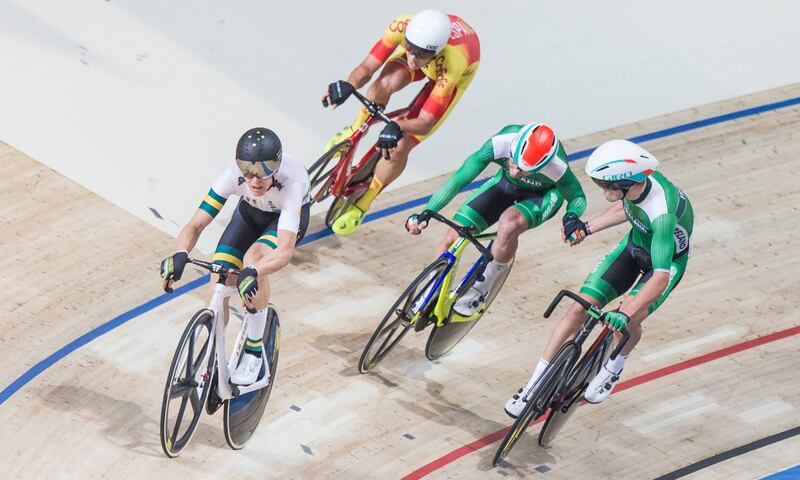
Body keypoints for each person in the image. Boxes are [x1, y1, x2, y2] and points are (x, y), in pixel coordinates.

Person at [505, 139, 694, 418]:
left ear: (626, 183)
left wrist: (627, 313)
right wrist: (586, 228)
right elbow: (625, 209)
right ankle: (533, 386)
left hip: (663, 265)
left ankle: (614, 367)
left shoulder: (662, 213)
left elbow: (661, 278)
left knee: (626, 321)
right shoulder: (635, 191)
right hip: (634, 247)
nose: (601, 188)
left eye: (604, 184)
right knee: (577, 309)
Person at [160, 128, 310, 386]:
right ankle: (211, 340)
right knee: (219, 278)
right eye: (248, 172)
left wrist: (255, 272)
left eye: (263, 172)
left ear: (276, 166)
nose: (255, 181)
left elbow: (285, 251)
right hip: (249, 214)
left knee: (254, 259)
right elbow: (195, 224)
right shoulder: (231, 175)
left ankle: (254, 350)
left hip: (284, 220)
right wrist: (179, 254)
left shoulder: (292, 183)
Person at [321, 9, 480, 236]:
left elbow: (425, 122)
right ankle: (355, 129)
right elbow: (367, 67)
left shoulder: (453, 62)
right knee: (383, 83)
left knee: (401, 146)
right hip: (432, 57)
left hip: (450, 76)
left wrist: (399, 126)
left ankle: (363, 202)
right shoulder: (401, 26)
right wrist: (348, 84)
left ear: (436, 51)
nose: (412, 59)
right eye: (409, 49)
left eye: (420, 55)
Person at [407, 123, 587, 317]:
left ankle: (482, 287)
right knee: (453, 236)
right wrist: (427, 211)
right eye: (514, 162)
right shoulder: (500, 143)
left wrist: (571, 217)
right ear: (512, 148)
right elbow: (459, 178)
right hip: (504, 185)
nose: (517, 172)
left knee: (508, 225)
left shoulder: (557, 167)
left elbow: (578, 197)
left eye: (526, 170)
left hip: (541, 197)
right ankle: (430, 288)